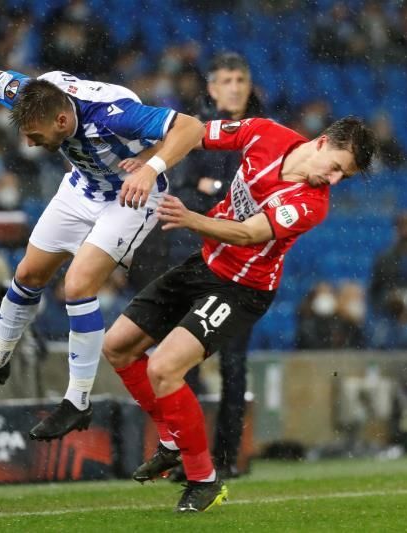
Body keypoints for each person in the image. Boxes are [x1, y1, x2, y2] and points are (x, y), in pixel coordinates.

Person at [0, 68, 204, 440]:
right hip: (83, 186)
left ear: (63, 120)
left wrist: (150, 168)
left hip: (130, 197)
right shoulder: (34, 94)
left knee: (78, 285)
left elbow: (191, 128)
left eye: (35, 135)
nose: (31, 144)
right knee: (28, 274)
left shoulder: (113, 112)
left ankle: (77, 401)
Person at [102, 116, 376, 512]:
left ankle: (205, 480)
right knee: (117, 346)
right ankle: (170, 440)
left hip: (242, 289)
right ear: (321, 142)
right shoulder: (264, 132)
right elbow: (193, 134)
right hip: (206, 264)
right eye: (336, 167)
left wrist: (190, 218)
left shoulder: (310, 204)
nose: (333, 181)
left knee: (163, 367)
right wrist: (149, 161)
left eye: (343, 177)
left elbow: (249, 233)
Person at [158, 52, 267, 480]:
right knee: (183, 363)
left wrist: (213, 191)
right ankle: (193, 454)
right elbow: (180, 190)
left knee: (235, 364)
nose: (235, 87)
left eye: (241, 78)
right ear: (212, 87)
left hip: (241, 265)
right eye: (227, 79)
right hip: (196, 258)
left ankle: (226, 459)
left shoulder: (262, 133)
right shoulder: (195, 131)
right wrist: (220, 196)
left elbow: (261, 195)